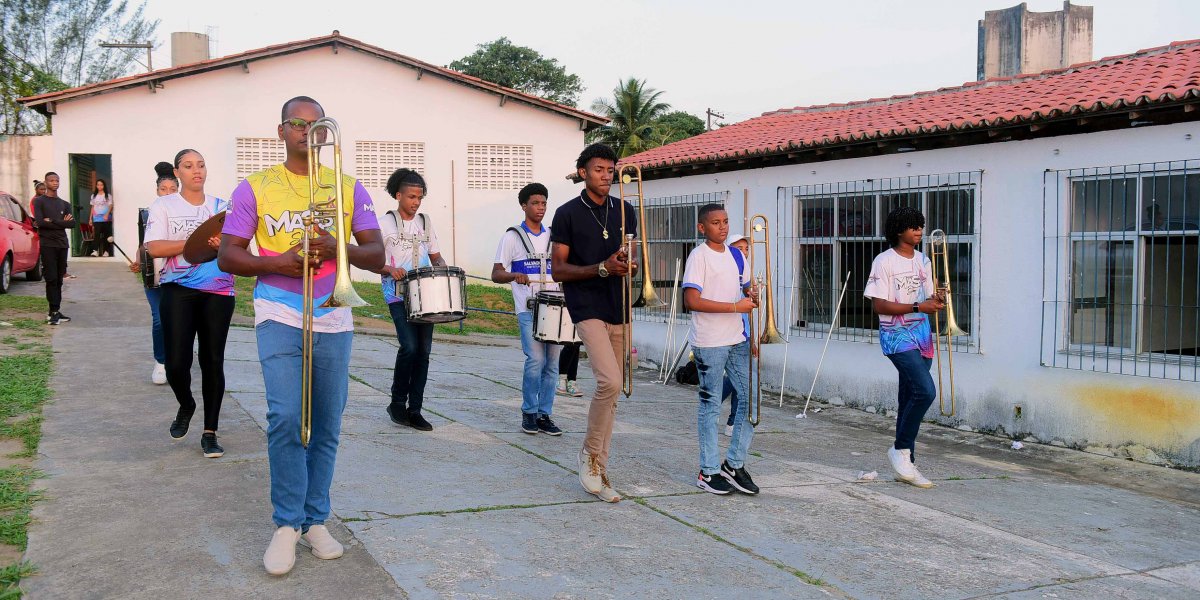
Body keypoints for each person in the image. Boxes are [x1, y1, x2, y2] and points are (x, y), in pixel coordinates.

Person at [218, 96, 384, 576]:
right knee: (287, 417)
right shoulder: (255, 187)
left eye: (317, 126)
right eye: (297, 124)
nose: (308, 133)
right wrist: (277, 262)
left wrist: (337, 247)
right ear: (281, 130)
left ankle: (315, 520)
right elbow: (228, 255)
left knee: (326, 423)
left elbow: (377, 254)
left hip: (333, 314)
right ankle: (287, 524)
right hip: (279, 311)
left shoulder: (348, 187)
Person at [550, 143, 636, 504]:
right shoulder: (567, 213)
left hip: (619, 304)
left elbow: (628, 259)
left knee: (613, 395)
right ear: (583, 172)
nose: (606, 175)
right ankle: (589, 455)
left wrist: (628, 265)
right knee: (609, 381)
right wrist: (602, 268)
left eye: (610, 170)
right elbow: (558, 269)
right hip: (586, 305)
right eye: (598, 169)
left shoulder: (626, 209)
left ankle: (600, 467)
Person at [144, 149, 235, 459]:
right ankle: (186, 403)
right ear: (177, 172)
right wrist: (195, 243)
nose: (197, 170)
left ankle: (210, 432)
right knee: (176, 363)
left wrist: (222, 245)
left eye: (201, 165)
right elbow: (154, 247)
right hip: (177, 288)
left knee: (213, 360)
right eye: (188, 165)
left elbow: (238, 244)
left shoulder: (222, 207)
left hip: (218, 289)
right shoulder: (164, 205)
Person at [863, 205, 945, 489]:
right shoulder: (884, 261)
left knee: (909, 396)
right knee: (925, 392)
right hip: (896, 335)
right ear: (899, 231)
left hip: (922, 334)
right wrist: (918, 306)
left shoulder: (924, 260)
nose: (919, 231)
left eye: (920, 225)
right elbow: (879, 305)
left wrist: (937, 300)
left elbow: (927, 297)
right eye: (913, 226)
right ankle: (900, 450)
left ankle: (906, 462)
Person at [682, 205, 760, 495]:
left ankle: (734, 464)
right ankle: (708, 471)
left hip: (737, 338)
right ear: (702, 228)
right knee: (711, 405)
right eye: (716, 223)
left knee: (752, 400)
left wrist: (752, 293)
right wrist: (735, 307)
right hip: (709, 341)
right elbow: (692, 300)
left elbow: (745, 288)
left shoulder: (737, 256)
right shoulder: (698, 256)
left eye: (725, 221)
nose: (723, 227)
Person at [491, 182, 563, 436]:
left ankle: (545, 414)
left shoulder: (554, 236)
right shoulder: (512, 237)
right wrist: (514, 275)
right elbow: (496, 273)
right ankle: (529, 412)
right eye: (535, 203)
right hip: (527, 308)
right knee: (536, 360)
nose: (540, 208)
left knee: (552, 364)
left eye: (544, 203)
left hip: (555, 308)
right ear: (524, 206)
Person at [375, 168, 443, 432]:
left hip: (426, 296)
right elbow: (372, 260)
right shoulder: (384, 223)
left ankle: (415, 410)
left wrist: (443, 268)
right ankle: (396, 403)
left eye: (420, 198)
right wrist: (389, 269)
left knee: (423, 352)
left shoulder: (426, 223)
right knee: (410, 347)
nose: (416, 202)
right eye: (412, 197)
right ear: (398, 195)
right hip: (396, 294)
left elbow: (435, 256)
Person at [131, 162, 178, 385]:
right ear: (157, 191)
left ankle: (177, 358)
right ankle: (161, 362)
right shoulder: (148, 215)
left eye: (172, 189)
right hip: (155, 277)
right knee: (159, 319)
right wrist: (138, 261)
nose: (167, 193)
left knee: (179, 320)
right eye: (163, 189)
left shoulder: (186, 213)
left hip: (180, 276)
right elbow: (144, 244)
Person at [31, 172, 74, 324]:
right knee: (51, 278)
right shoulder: (39, 201)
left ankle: (55, 311)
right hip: (48, 244)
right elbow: (40, 222)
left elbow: (72, 223)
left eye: (57, 180)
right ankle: (53, 311)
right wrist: (61, 222)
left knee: (59, 278)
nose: (55, 183)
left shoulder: (65, 204)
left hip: (62, 244)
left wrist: (53, 221)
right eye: (52, 180)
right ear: (46, 182)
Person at [719, 234, 751, 437]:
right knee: (737, 380)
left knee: (743, 382)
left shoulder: (746, 276)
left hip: (744, 334)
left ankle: (733, 422)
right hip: (726, 335)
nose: (744, 253)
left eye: (746, 249)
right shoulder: (726, 276)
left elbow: (748, 313)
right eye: (739, 249)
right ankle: (712, 403)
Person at [90, 179, 114, 257]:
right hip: (96, 218)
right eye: (98, 185)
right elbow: (92, 207)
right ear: (96, 186)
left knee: (106, 235)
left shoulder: (108, 196)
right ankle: (95, 251)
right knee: (96, 234)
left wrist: (107, 214)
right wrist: (90, 218)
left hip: (106, 218)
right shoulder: (93, 196)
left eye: (101, 185)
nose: (99, 186)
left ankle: (106, 251)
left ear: (104, 186)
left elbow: (110, 206)